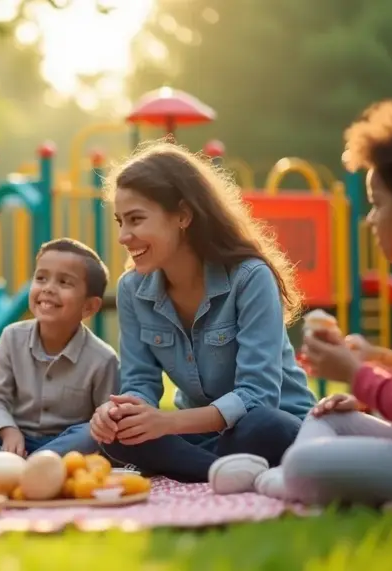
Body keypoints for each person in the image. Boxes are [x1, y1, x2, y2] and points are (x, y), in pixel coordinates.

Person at [209, 98, 392, 504]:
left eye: (377, 204)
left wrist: (356, 372)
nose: (372, 219)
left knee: (309, 465)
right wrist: (369, 380)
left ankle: (280, 479)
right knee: (332, 416)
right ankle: (290, 475)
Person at [89, 142, 316, 483]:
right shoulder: (131, 290)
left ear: (183, 215)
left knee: (262, 427)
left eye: (136, 219)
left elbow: (258, 397)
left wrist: (167, 423)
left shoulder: (250, 277)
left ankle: (199, 467)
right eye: (121, 221)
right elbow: (140, 383)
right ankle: (222, 472)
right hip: (202, 434)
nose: (123, 236)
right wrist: (121, 411)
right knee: (120, 434)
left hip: (275, 425)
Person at [0, 238, 118, 463]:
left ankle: (24, 467)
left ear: (89, 306)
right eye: (41, 278)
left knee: (92, 433)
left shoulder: (103, 359)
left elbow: (104, 422)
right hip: (12, 442)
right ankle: (24, 466)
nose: (48, 288)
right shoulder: (11, 337)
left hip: (66, 447)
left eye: (64, 282)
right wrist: (8, 431)